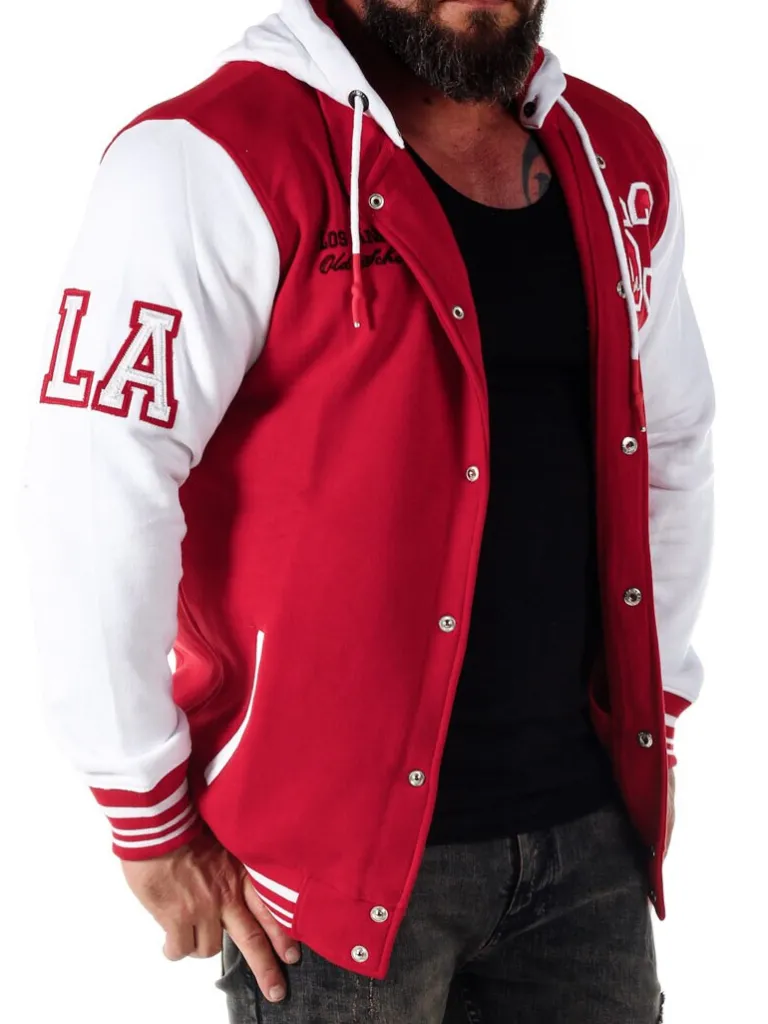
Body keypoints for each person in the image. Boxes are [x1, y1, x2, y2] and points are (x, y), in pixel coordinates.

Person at [21, 0, 715, 1020]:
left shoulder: (615, 156)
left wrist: (657, 703)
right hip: (325, 881)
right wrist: (144, 810)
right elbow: (98, 479)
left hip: (587, 842)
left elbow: (672, 437)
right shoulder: (206, 158)